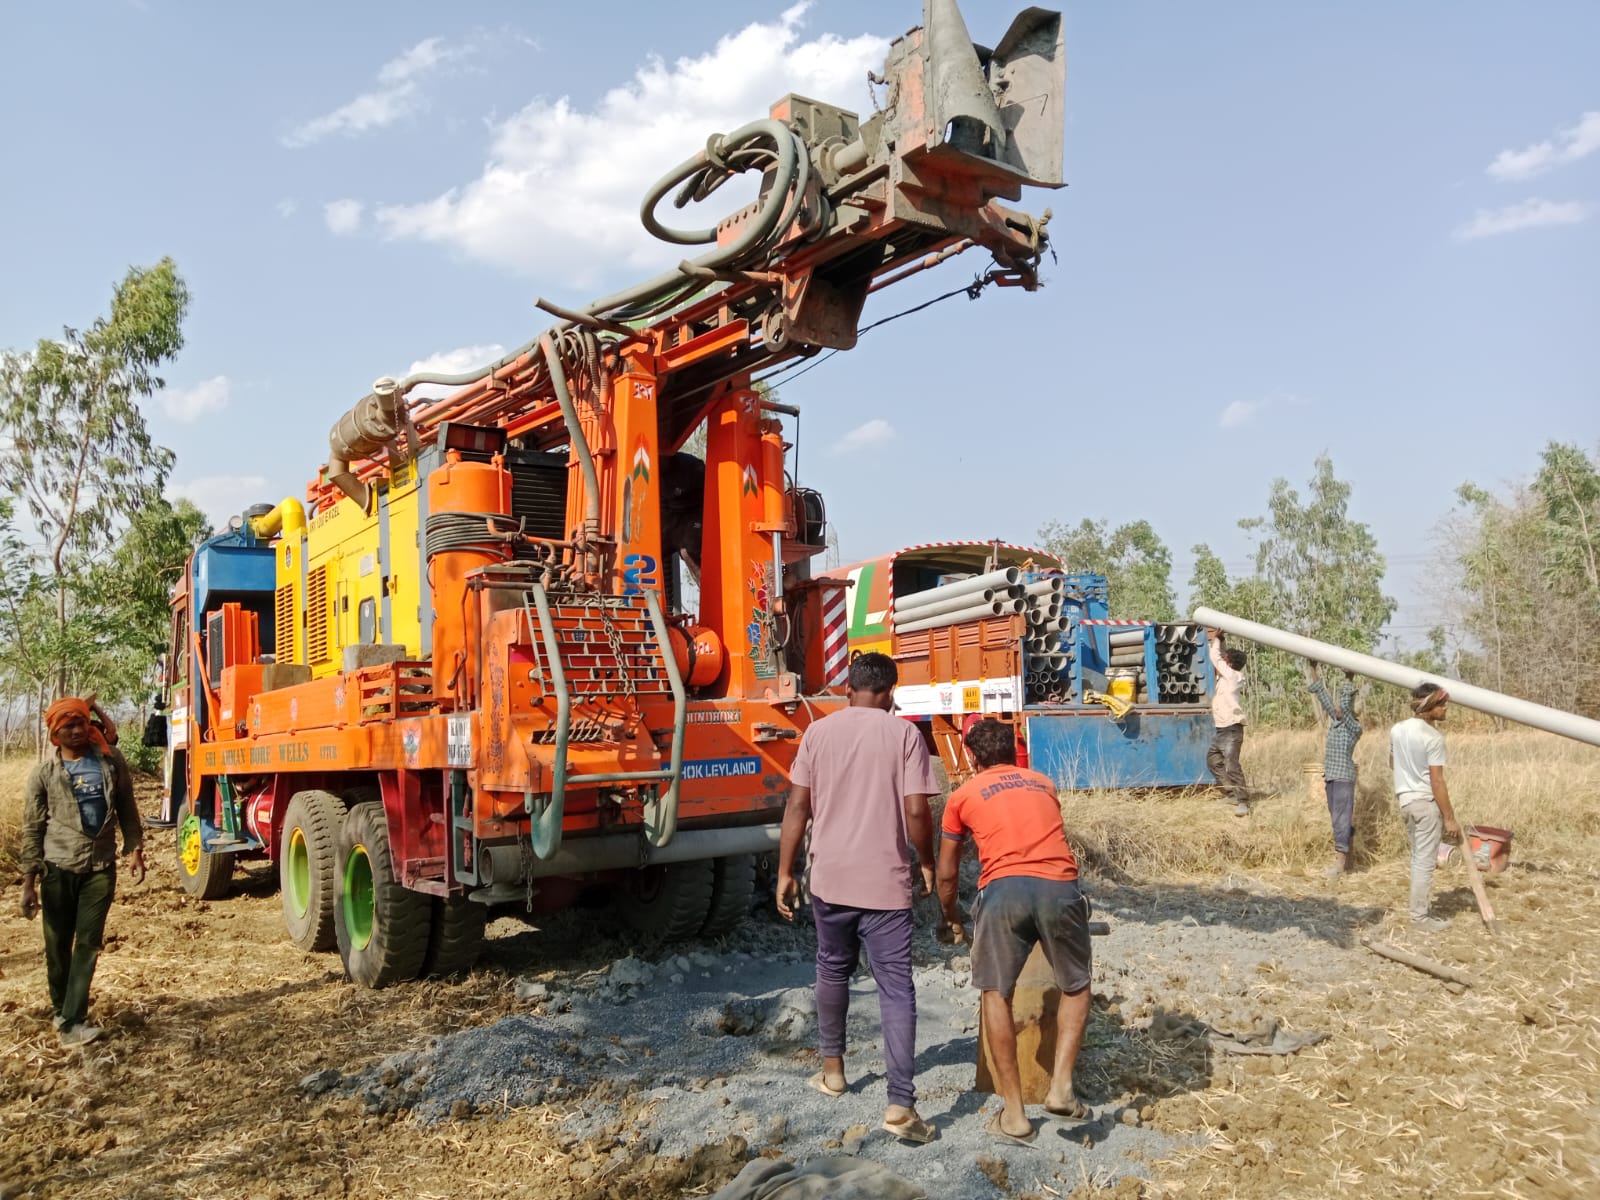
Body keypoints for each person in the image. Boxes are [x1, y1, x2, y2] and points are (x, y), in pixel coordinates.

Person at [776, 652, 940, 1144]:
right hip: (885, 885)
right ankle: (900, 1104)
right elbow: (916, 810)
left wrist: (785, 871)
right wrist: (926, 860)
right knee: (895, 988)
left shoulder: (818, 734)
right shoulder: (905, 735)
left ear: (850, 688)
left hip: (829, 879)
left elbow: (798, 808)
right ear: (890, 693)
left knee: (831, 968)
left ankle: (833, 1073)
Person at [936, 718, 1093, 1146]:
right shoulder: (1044, 784)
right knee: (1076, 986)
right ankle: (1061, 1087)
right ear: (1015, 749)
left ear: (971, 756)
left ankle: (1015, 1115)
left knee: (995, 992)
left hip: (1003, 892)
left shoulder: (962, 796)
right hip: (1061, 888)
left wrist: (949, 915)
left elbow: (947, 873)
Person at [19, 697, 146, 1046]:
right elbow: (32, 829)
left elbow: (126, 808)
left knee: (88, 942)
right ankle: (62, 1012)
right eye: (67, 727)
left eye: (81, 723)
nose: (76, 731)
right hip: (58, 869)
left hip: (100, 867)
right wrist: (29, 883)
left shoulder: (109, 762)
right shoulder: (44, 775)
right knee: (57, 945)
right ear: (54, 735)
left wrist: (135, 848)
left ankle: (73, 1020)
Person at [1389, 683, 1460, 930]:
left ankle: (1417, 911)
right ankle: (1419, 918)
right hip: (1426, 805)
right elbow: (1437, 781)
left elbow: (1392, 762)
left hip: (1406, 803)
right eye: (1441, 704)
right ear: (1428, 706)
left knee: (1418, 858)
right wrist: (1449, 818)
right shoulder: (1433, 738)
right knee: (1424, 862)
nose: (1445, 708)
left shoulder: (1397, 730)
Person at [1307, 661, 1362, 876]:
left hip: (1343, 778)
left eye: (1342, 707)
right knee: (1337, 818)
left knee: (1341, 818)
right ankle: (1347, 861)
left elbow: (1344, 706)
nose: (1337, 708)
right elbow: (1322, 696)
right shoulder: (1336, 721)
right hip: (1331, 776)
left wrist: (1349, 678)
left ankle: (1339, 865)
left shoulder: (1353, 727)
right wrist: (1312, 667)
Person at [1205, 628, 1250, 815]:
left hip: (1231, 729)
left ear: (1229, 663)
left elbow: (1215, 657)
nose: (1223, 660)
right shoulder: (1228, 677)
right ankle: (1231, 793)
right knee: (1213, 760)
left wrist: (1215, 639)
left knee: (1232, 765)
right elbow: (1221, 655)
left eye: (1226, 659)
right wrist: (1221, 639)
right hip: (1222, 729)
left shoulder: (1232, 676)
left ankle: (1243, 801)